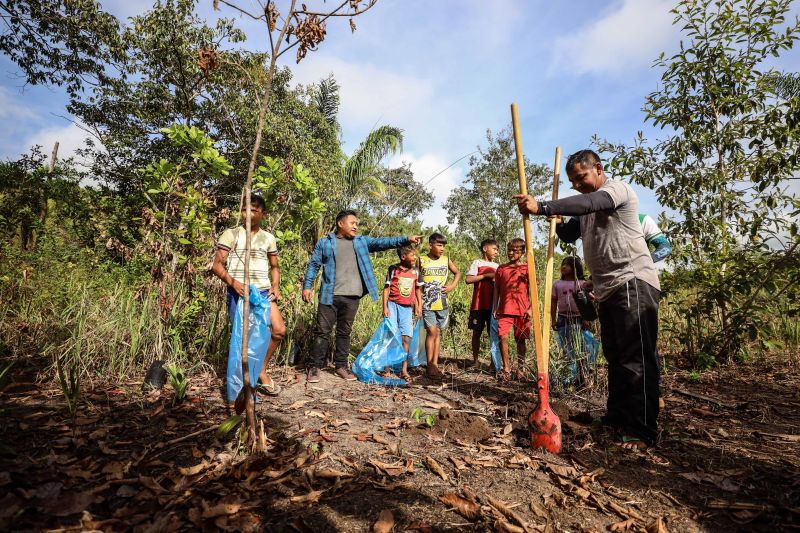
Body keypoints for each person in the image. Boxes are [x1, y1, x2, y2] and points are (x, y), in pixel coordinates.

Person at [515, 149, 661, 450]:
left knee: (636, 357)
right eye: (573, 182)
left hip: (632, 281)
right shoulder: (586, 211)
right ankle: (618, 416)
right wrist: (553, 218)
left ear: (598, 168)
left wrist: (543, 206)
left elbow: (590, 202)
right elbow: (568, 233)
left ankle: (643, 428)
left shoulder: (614, 190)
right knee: (616, 355)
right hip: (607, 289)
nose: (578, 186)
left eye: (581, 178)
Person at [302, 210, 421, 384]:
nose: (356, 226)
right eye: (352, 223)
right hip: (329, 295)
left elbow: (383, 243)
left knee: (345, 332)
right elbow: (314, 265)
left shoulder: (361, 242)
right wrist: (307, 286)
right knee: (322, 332)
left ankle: (341, 366)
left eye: (357, 223)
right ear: (340, 224)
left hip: (352, 296)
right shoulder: (326, 243)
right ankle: (315, 367)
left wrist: (406, 239)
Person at [212, 194, 286, 397]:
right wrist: (233, 283)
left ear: (263, 214)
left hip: (262, 291)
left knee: (278, 330)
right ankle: (240, 389)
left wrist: (276, 286)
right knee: (243, 339)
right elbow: (217, 266)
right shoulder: (232, 234)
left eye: (253, 210)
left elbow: (275, 265)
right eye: (245, 210)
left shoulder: (268, 238)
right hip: (239, 291)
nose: (248, 214)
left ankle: (261, 370)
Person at [417, 232, 461, 379]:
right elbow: (415, 280)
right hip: (427, 302)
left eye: (444, 246)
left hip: (442, 302)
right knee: (431, 332)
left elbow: (457, 273)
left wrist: (452, 286)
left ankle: (435, 363)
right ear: (430, 245)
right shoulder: (421, 260)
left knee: (438, 333)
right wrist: (416, 301)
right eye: (439, 245)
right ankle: (430, 365)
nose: (442, 248)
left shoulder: (446, 260)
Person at [492, 238, 532, 381]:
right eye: (509, 250)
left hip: (522, 310)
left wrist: (531, 308)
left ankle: (521, 369)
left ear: (522, 252)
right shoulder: (501, 268)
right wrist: (496, 306)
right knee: (502, 336)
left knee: (521, 340)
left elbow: (533, 289)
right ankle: (506, 368)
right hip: (505, 309)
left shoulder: (528, 268)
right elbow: (496, 287)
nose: (510, 253)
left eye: (514, 251)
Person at [550, 256, 591, 388]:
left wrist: (585, 318)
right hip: (563, 318)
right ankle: (568, 379)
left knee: (581, 349)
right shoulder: (557, 284)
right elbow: (553, 302)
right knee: (566, 348)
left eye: (567, 265)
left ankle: (582, 377)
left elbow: (586, 303)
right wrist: (553, 320)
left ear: (575, 267)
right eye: (563, 264)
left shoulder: (582, 283)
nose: (564, 267)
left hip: (578, 319)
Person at [382, 245, 421, 379]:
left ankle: (404, 370)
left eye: (415, 255)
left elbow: (417, 290)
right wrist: (385, 308)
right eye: (412, 255)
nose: (415, 257)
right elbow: (386, 289)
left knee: (406, 338)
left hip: (407, 308)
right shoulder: (393, 269)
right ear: (403, 257)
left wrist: (418, 305)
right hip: (392, 305)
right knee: (390, 336)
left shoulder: (416, 271)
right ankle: (387, 368)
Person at [465, 239, 500, 367]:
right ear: (485, 249)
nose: (496, 252)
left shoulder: (497, 266)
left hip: (493, 306)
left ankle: (493, 363)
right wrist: (486, 276)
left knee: (493, 333)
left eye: (497, 250)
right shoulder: (477, 263)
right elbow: (468, 279)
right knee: (476, 332)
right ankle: (475, 361)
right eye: (494, 249)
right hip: (478, 304)